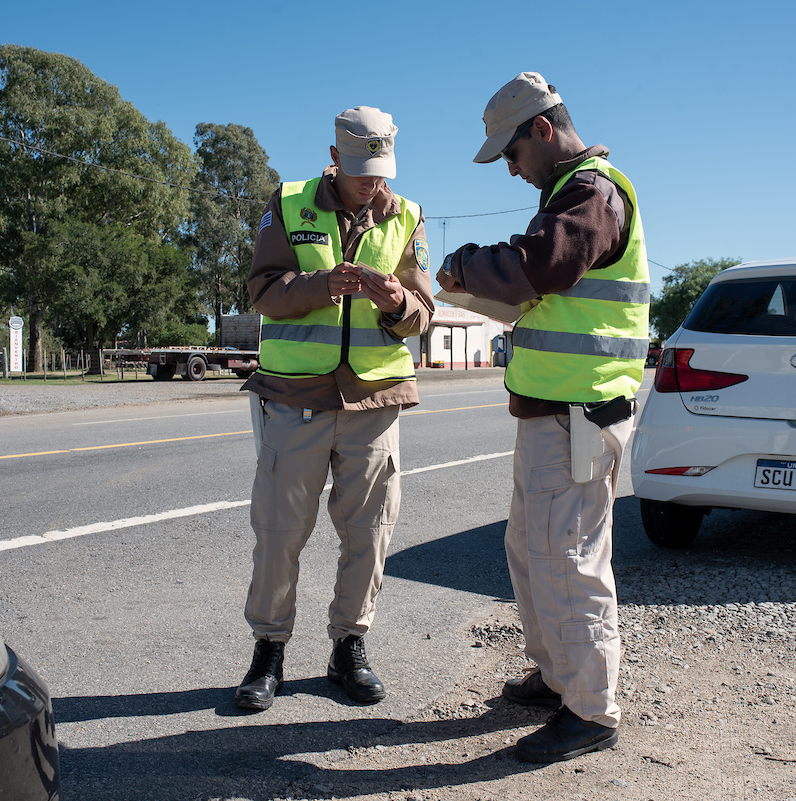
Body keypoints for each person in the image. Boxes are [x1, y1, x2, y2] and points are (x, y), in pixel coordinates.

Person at [437, 73, 650, 762]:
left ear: (542, 129)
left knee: (568, 560)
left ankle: (590, 709)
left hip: (580, 414)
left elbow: (543, 265)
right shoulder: (566, 194)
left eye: (511, 152)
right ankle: (558, 674)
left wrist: (465, 263)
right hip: (553, 414)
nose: (510, 168)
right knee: (531, 549)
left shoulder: (592, 191)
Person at [235, 106, 434, 710]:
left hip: (375, 400)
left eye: (380, 173)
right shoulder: (289, 203)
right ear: (334, 157)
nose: (371, 183)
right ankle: (269, 650)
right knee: (279, 532)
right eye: (360, 172)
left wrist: (399, 302)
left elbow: (423, 312)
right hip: (296, 398)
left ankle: (349, 646)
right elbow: (261, 290)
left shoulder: (407, 216)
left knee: (370, 532)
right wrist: (321, 286)